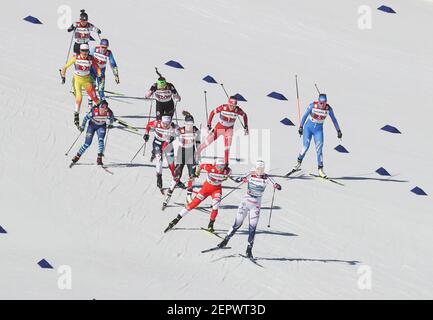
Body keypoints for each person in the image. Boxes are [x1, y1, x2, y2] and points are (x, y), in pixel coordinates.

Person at [217, 160, 282, 258]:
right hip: (245, 202)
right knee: (237, 224)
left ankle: (249, 250)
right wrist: (242, 179)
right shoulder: (250, 174)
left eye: (261, 169)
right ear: (255, 168)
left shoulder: (267, 177)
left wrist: (277, 186)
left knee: (252, 228)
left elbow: (278, 186)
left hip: (255, 205)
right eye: (258, 169)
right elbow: (237, 179)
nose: (259, 171)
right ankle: (225, 241)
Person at [164, 159, 233, 233]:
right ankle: (176, 220)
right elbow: (201, 166)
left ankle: (210, 225)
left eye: (222, 166)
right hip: (205, 189)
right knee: (192, 204)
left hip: (217, 190)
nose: (220, 168)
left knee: (215, 206)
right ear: (215, 165)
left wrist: (229, 177)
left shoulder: (228, 171)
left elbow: (232, 177)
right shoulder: (210, 167)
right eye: (219, 166)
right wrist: (197, 173)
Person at [291, 93, 342, 178]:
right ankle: (298, 163)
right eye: (321, 103)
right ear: (318, 101)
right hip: (308, 128)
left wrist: (338, 131)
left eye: (324, 103)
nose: (322, 105)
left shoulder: (328, 109)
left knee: (319, 150)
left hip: (318, 131)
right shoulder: (312, 106)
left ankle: (320, 170)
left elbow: (334, 120)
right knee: (305, 147)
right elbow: (304, 116)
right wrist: (301, 127)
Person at [162, 111, 201, 209]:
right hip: (181, 154)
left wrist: (198, 156)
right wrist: (171, 137)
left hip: (191, 155)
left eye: (191, 124)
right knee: (177, 176)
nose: (189, 126)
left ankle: (189, 196)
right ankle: (168, 195)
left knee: (192, 176)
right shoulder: (180, 130)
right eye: (188, 124)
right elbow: (171, 135)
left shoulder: (196, 131)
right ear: (185, 123)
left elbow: (198, 144)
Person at [196, 96, 248, 165]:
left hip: (229, 130)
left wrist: (246, 126)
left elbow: (244, 115)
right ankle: (197, 154)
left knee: (227, 147)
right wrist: (209, 124)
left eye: (234, 106)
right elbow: (212, 112)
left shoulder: (237, 110)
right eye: (231, 105)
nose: (232, 107)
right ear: (228, 103)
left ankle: (226, 163)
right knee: (207, 143)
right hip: (219, 128)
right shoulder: (223, 107)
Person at [61, 43, 102, 128]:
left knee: (94, 98)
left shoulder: (91, 58)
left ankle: (103, 111)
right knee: (79, 97)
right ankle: (76, 115)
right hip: (77, 80)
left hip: (87, 80)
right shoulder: (76, 58)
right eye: (83, 51)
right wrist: (63, 76)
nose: (84, 53)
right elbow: (65, 67)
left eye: (86, 51)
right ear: (80, 51)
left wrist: (99, 74)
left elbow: (97, 67)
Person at [70, 100, 114, 167]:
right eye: (101, 107)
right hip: (91, 126)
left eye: (105, 108)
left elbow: (112, 117)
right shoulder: (94, 111)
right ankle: (77, 156)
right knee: (87, 143)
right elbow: (85, 118)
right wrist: (82, 127)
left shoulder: (108, 112)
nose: (103, 110)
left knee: (101, 140)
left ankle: (99, 158)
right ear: (99, 107)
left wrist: (111, 124)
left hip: (101, 126)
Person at [143, 115, 178, 189]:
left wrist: (174, 137)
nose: (166, 125)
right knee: (159, 159)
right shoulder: (157, 123)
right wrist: (146, 134)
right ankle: (159, 177)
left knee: (171, 162)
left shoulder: (174, 127)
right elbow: (148, 125)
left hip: (167, 143)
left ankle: (175, 179)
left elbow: (181, 132)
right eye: (164, 123)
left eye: (168, 123)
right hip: (157, 142)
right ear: (162, 121)